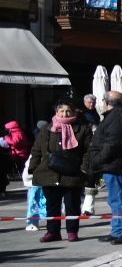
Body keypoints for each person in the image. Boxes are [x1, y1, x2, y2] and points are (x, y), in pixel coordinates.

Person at [26, 99, 91, 243]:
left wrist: (84, 167)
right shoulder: (47, 129)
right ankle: (52, 232)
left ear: (73, 112)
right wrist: (33, 168)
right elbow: (36, 150)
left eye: (68, 111)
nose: (64, 114)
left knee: (72, 205)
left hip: (73, 174)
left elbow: (88, 151)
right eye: (61, 111)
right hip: (49, 173)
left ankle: (72, 231)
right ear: (56, 112)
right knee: (51, 206)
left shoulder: (82, 129)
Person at [83, 91, 122, 244]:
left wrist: (98, 159)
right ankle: (117, 230)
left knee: (118, 199)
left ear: (106, 102)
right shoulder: (117, 114)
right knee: (114, 199)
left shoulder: (117, 116)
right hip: (111, 163)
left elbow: (112, 142)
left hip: (113, 163)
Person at [22, 119, 45, 230]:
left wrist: (28, 176)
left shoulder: (36, 152)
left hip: (36, 182)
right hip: (40, 183)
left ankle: (34, 223)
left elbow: (30, 167)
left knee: (35, 203)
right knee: (40, 203)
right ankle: (37, 222)